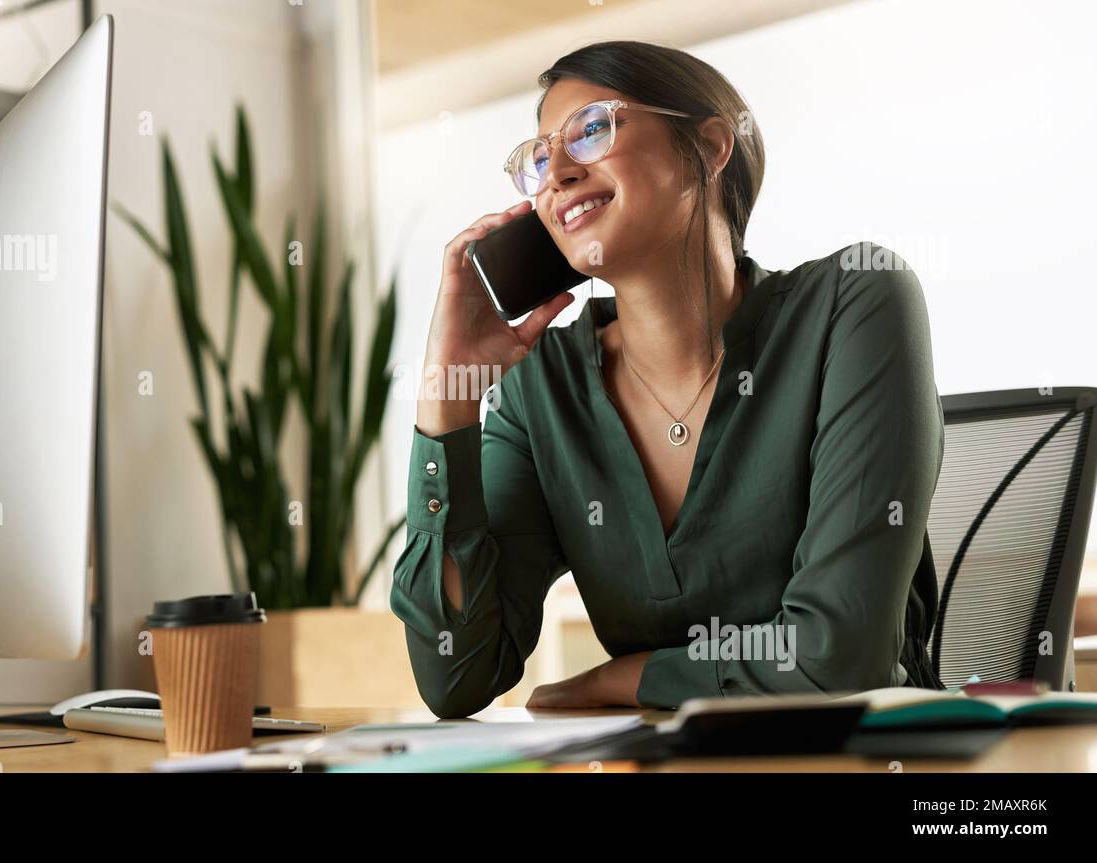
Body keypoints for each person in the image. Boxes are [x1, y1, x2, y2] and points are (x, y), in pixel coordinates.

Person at [391, 40, 944, 719]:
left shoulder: (855, 301)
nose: (555, 172)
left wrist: (613, 679)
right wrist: (446, 397)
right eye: (539, 158)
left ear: (710, 146)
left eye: (591, 129)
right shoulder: (543, 392)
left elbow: (836, 657)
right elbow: (456, 673)